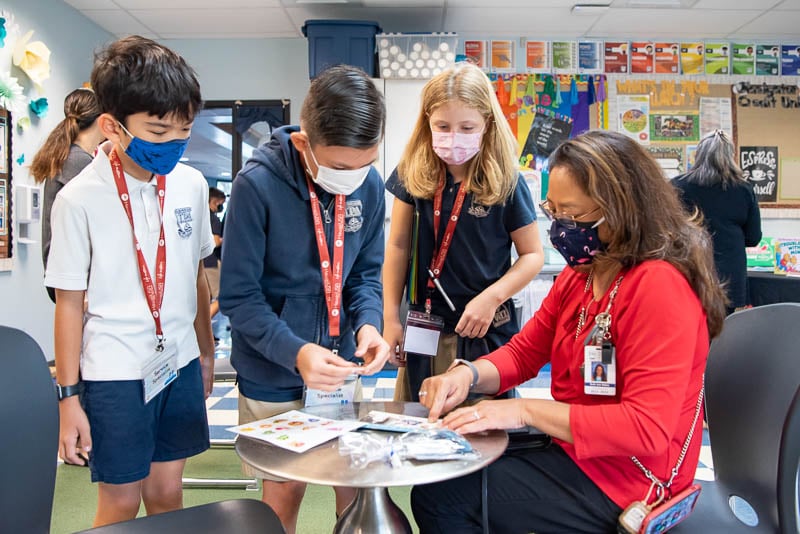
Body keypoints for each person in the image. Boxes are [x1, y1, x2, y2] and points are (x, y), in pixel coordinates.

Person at [413, 130, 727, 533]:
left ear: (622, 210)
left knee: (443, 496)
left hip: (632, 480)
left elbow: (646, 430)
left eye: (574, 216)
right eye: (554, 212)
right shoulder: (582, 274)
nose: (561, 228)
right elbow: (525, 352)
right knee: (452, 461)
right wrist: (467, 374)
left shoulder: (658, 287)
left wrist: (523, 410)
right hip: (580, 454)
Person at [45, 36, 215, 527]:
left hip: (178, 362)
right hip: (114, 372)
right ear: (112, 126)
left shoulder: (191, 184)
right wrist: (68, 397)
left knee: (166, 491)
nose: (172, 143)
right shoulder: (78, 199)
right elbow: (69, 304)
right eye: (158, 130)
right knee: (121, 502)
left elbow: (196, 277)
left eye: (183, 129)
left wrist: (204, 353)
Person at [218, 65, 390, 534]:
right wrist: (294, 352)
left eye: (364, 164)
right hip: (272, 371)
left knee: (352, 485)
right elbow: (239, 296)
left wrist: (369, 325)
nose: (352, 178)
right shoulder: (256, 185)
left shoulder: (369, 188)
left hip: (339, 371)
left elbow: (365, 276)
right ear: (302, 144)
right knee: (283, 494)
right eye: (338, 167)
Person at [382, 62, 544, 402]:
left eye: (467, 126)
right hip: (425, 325)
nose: (453, 136)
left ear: (486, 123)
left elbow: (532, 255)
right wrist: (390, 319)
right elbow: (397, 247)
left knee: (481, 432)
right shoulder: (413, 172)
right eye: (442, 125)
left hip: (483, 328)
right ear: (426, 122)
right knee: (418, 419)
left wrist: (492, 298)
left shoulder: (506, 180)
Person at [673, 130, 761, 315]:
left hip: (690, 269)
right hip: (729, 274)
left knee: (691, 325)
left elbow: (666, 229)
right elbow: (753, 238)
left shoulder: (677, 186)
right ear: (731, 155)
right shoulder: (744, 189)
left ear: (699, 154)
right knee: (722, 330)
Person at [30, 87, 104, 303]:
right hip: (74, 276)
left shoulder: (70, 156)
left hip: (64, 272)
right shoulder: (79, 162)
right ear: (101, 120)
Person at [205, 186, 225, 318]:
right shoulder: (213, 219)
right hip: (211, 261)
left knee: (206, 296)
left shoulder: (200, 215)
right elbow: (215, 241)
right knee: (222, 297)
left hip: (201, 261)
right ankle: (203, 329)